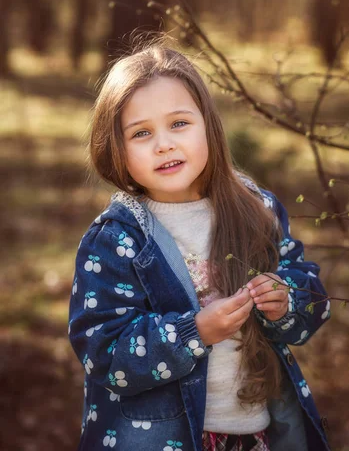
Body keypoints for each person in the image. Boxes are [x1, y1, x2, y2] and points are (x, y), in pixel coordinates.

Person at [69, 35, 331, 451]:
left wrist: (287, 300)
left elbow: (312, 301)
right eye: (141, 133)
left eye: (179, 123)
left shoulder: (255, 209)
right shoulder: (116, 241)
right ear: (116, 150)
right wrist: (195, 331)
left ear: (208, 124)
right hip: (160, 439)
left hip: (254, 432)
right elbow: (105, 353)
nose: (164, 143)